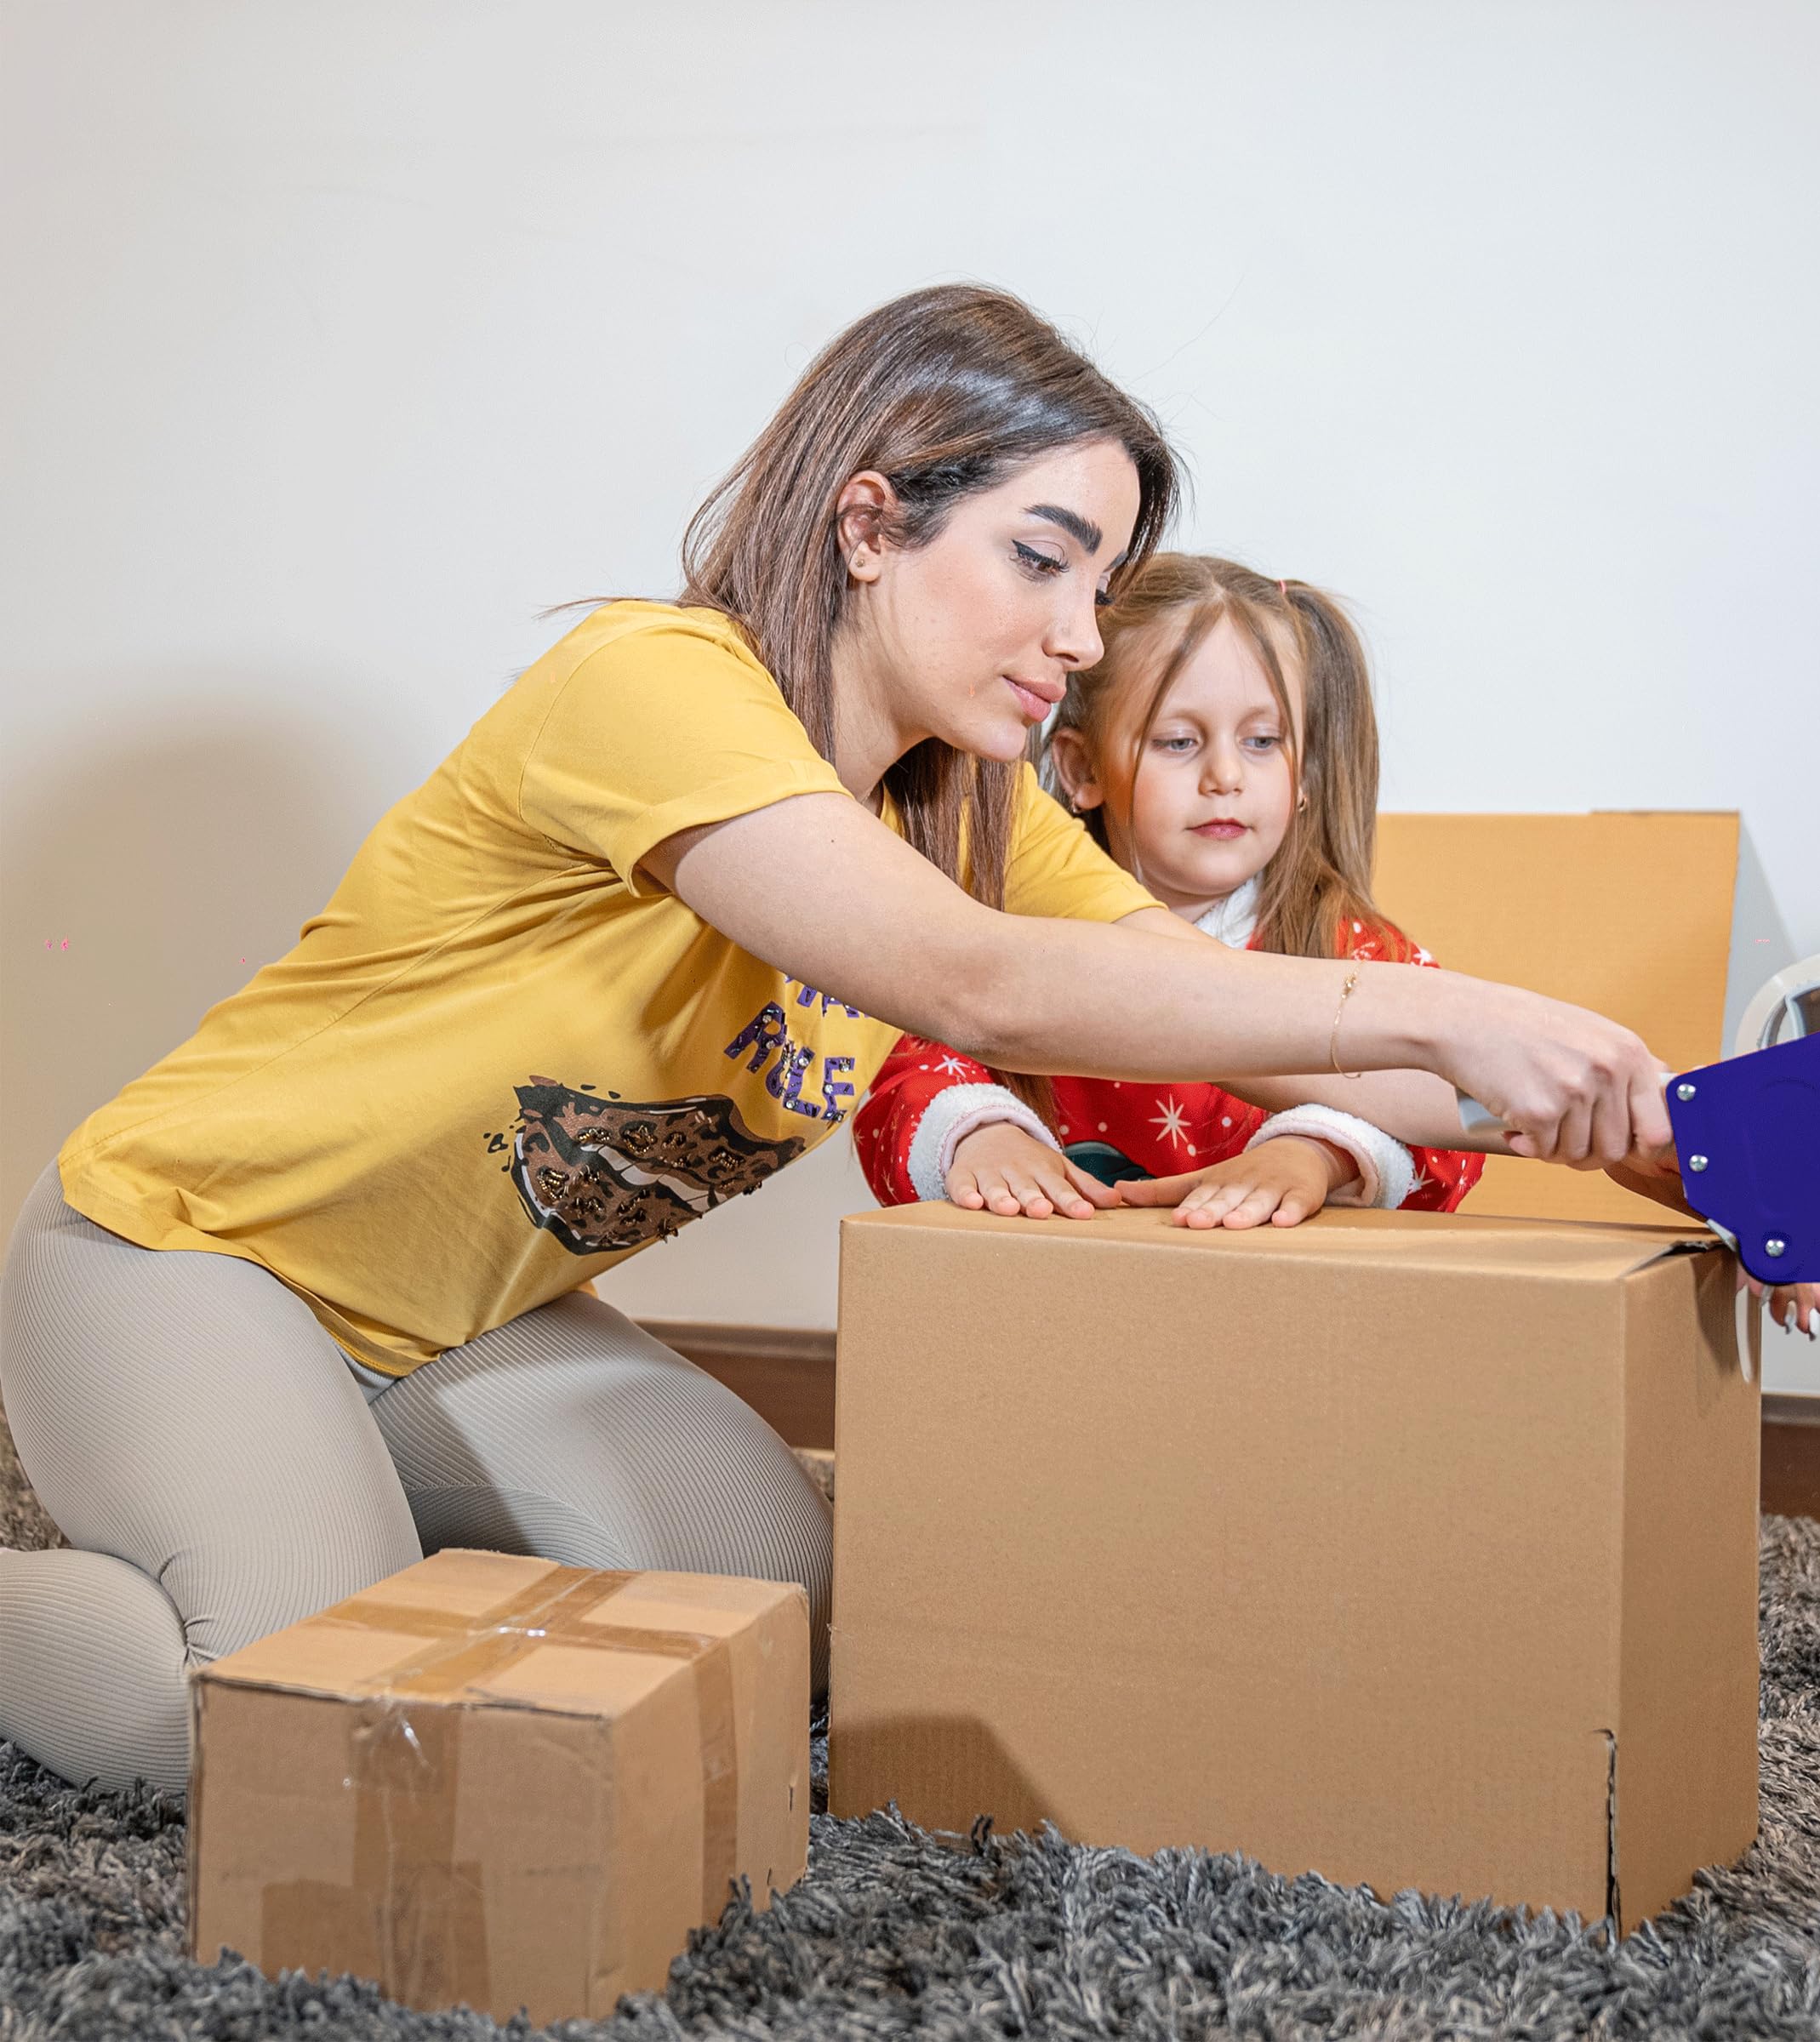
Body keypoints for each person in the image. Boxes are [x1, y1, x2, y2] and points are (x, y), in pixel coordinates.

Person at [0, 285, 1674, 1794]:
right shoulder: (650, 684)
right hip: (185, 1260)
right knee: (273, 1725)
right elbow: (981, 987)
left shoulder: (964, 811)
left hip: (453, 1328)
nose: (1084, 636)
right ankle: (237, 1555)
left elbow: (1263, 1035)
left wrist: (1651, 1123)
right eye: (1041, 557)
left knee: (785, 1603)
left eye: (1099, 581)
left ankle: (311, 1511)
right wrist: (1461, 1006)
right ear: (869, 524)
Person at [856, 553, 1489, 1225]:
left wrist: (1318, 1154)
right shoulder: (1016, 935)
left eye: (1263, 741)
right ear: (1080, 768)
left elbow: (1454, 1124)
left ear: (1305, 773)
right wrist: (981, 1133)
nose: (1225, 775)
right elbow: (899, 1066)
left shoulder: (1357, 952)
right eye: (1179, 742)